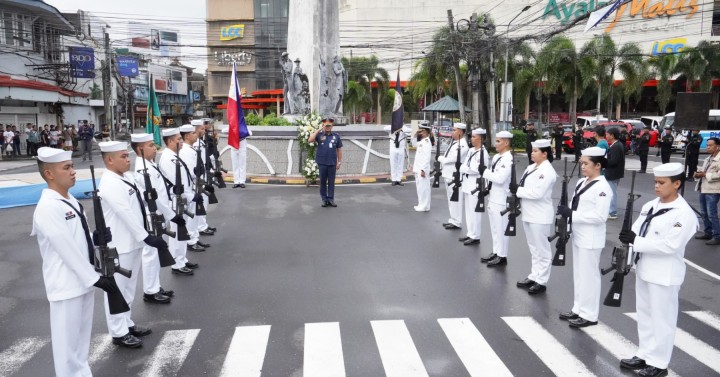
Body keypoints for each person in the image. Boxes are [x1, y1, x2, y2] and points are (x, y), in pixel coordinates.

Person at [31, 147, 124, 376]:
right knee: (67, 352)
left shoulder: (69, 200)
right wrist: (96, 279)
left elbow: (78, 240)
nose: (73, 171)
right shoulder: (48, 207)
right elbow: (66, 250)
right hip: (66, 286)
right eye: (67, 168)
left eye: (72, 166)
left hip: (83, 283)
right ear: (50, 174)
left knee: (81, 347)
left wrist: (95, 241)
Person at [619, 163, 697, 377]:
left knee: (662, 319)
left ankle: (659, 363)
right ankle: (645, 354)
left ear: (677, 184)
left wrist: (637, 241)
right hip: (644, 268)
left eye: (662, 183)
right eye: (655, 182)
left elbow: (670, 246)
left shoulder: (683, 214)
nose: (656, 186)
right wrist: (630, 238)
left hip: (664, 274)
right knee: (644, 315)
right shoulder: (652, 205)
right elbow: (637, 227)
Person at [98, 140, 168, 348]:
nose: (128, 160)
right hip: (121, 244)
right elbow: (124, 213)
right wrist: (146, 236)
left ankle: (126, 323)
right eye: (123, 157)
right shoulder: (109, 183)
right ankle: (118, 332)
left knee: (128, 290)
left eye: (128, 156)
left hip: (133, 242)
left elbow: (139, 204)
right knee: (117, 289)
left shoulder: (126, 177)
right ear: (109, 160)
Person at [557, 146, 612, 328]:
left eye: (586, 163)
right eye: (581, 163)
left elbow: (599, 217)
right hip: (579, 235)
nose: (582, 167)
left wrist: (571, 214)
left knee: (590, 277)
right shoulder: (582, 182)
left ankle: (589, 315)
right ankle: (578, 308)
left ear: (598, 165)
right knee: (579, 275)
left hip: (591, 238)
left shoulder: (603, 188)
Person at [131, 133, 174, 304]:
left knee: (156, 253)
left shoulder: (149, 164)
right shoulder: (143, 169)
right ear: (140, 149)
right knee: (151, 254)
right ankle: (150, 291)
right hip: (152, 214)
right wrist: (171, 214)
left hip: (160, 213)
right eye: (150, 145)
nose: (154, 148)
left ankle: (155, 286)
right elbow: (154, 197)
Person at [515, 139, 557, 295]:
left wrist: (517, 191)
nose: (532, 153)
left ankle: (542, 281)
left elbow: (537, 193)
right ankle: (534, 275)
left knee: (542, 249)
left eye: (535, 151)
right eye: (532, 150)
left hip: (540, 215)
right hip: (528, 213)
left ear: (545, 153)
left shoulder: (547, 171)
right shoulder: (531, 167)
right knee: (533, 248)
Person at [158, 127, 196, 276]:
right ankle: (177, 264)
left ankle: (182, 259)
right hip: (176, 201)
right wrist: (191, 196)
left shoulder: (174, 156)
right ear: (170, 141)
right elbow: (176, 184)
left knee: (182, 231)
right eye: (178, 140)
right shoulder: (168, 158)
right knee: (177, 233)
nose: (181, 142)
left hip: (182, 199)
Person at [480, 130, 514, 267]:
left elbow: (500, 179)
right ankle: (496, 251)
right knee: (494, 228)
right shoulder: (497, 157)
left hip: (501, 199)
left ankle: (502, 255)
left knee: (501, 228)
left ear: (506, 143)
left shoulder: (508, 159)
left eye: (499, 141)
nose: (496, 143)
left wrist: (485, 172)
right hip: (493, 196)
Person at [178, 124, 210, 251]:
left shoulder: (190, 148)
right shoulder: (185, 151)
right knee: (192, 215)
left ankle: (195, 237)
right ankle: (192, 240)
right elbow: (191, 171)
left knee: (196, 214)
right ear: (186, 136)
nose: (196, 134)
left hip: (196, 184)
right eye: (193, 133)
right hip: (191, 186)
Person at [458, 127, 490, 246]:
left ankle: (475, 236)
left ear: (481, 139)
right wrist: (464, 168)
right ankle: (470, 233)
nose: (471, 139)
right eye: (471, 136)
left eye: (474, 137)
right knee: (468, 211)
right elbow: (466, 165)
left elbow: (476, 170)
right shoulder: (472, 151)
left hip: (475, 186)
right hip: (467, 184)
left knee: (474, 212)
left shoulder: (483, 153)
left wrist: (463, 168)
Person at [438, 123, 469, 230]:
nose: (452, 132)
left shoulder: (462, 144)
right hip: (448, 174)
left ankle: (457, 221)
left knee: (456, 200)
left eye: (454, 130)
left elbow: (452, 159)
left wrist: (440, 159)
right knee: (451, 199)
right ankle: (453, 219)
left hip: (455, 177)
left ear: (460, 132)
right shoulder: (455, 143)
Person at [308, 116, 343, 207]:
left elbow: (339, 150)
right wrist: (319, 129)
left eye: (329, 125)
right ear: (323, 125)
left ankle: (331, 199)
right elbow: (310, 140)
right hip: (322, 162)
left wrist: (339, 162)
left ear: (332, 126)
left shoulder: (336, 136)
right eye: (326, 125)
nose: (328, 127)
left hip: (332, 163)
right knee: (323, 182)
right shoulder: (319, 135)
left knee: (331, 182)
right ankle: (324, 199)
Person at [192, 119, 217, 236]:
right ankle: (200, 227)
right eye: (202, 128)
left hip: (205, 173)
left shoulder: (201, 142)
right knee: (201, 202)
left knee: (205, 201)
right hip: (200, 177)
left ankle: (202, 225)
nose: (204, 130)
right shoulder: (195, 144)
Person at [693, 137, 720, 245]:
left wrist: (704, 174)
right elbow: (705, 171)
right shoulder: (708, 158)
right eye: (707, 145)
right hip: (703, 187)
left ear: (717, 146)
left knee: (711, 214)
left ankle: (717, 236)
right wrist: (699, 173)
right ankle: (708, 232)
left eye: (710, 145)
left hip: (713, 189)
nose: (707, 147)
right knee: (704, 213)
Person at [412, 122, 433, 212]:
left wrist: (423, 170)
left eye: (422, 131)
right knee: (420, 188)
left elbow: (427, 157)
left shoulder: (427, 142)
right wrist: (414, 136)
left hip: (422, 169)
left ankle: (424, 206)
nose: (421, 132)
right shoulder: (422, 141)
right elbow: (413, 144)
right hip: (418, 168)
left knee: (424, 188)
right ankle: (421, 204)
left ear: (425, 132)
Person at [605, 127, 625, 220]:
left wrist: (603, 161)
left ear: (612, 135)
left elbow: (613, 161)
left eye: (608, 134)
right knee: (612, 192)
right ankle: (611, 210)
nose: (606, 136)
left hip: (613, 172)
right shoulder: (616, 145)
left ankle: (612, 212)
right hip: (615, 172)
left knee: (612, 193)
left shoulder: (616, 146)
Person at [230, 124, 250, 189]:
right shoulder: (232, 125)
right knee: (235, 165)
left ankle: (242, 181)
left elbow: (250, 132)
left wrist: (242, 131)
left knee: (242, 164)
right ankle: (236, 182)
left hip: (242, 145)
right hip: (234, 146)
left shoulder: (243, 126)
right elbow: (223, 130)